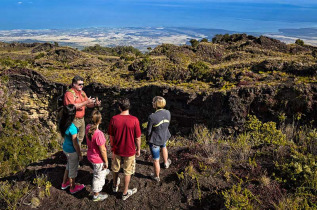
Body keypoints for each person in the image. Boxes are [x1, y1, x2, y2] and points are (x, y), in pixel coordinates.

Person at [108, 98, 141, 200]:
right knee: (128, 171)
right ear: (129, 106)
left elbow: (111, 136)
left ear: (119, 107)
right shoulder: (134, 120)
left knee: (115, 168)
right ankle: (125, 192)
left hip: (117, 149)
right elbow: (137, 137)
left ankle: (114, 185)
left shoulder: (114, 119)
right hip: (130, 150)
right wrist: (138, 149)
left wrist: (112, 147)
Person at [64, 75, 101, 146]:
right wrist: (86, 102)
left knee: (80, 138)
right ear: (74, 84)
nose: (81, 86)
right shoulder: (69, 94)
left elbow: (88, 104)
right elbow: (71, 107)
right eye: (79, 84)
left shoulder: (82, 93)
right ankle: (73, 154)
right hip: (73, 120)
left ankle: (78, 152)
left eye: (82, 84)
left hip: (81, 119)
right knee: (73, 139)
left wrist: (95, 104)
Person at [60, 104, 85, 194]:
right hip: (72, 151)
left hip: (65, 148)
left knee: (68, 166)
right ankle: (72, 187)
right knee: (73, 171)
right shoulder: (72, 127)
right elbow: (75, 143)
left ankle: (64, 183)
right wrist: (79, 154)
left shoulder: (63, 122)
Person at [86, 110, 110, 201]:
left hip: (90, 155)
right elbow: (103, 150)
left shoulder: (88, 127)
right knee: (97, 177)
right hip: (97, 159)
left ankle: (103, 172)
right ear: (100, 120)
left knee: (99, 171)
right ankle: (96, 195)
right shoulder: (99, 134)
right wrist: (106, 161)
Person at [146, 96, 172, 182]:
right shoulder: (168, 112)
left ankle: (156, 176)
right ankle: (166, 163)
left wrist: (147, 139)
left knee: (156, 160)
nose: (152, 103)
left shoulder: (152, 117)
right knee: (164, 147)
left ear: (155, 104)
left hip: (155, 140)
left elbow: (149, 131)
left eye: (153, 102)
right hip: (164, 136)